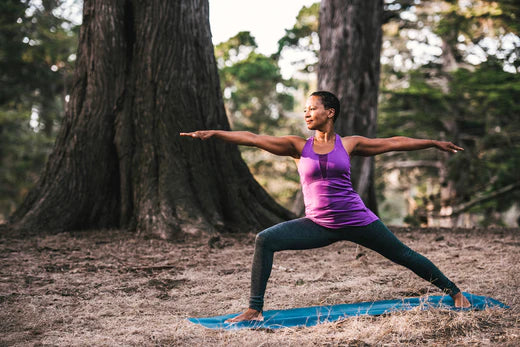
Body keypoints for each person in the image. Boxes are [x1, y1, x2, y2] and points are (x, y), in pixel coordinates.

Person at [180, 90, 471, 322]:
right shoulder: (297, 146)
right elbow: (254, 139)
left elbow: (393, 142)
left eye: (312, 107)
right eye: (305, 109)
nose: (306, 112)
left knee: (404, 255)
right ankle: (254, 310)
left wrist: (433, 143)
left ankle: (454, 292)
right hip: (318, 225)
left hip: (359, 221)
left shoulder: (349, 144)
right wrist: (213, 134)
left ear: (329, 112)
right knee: (265, 239)